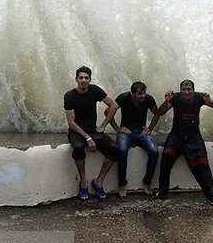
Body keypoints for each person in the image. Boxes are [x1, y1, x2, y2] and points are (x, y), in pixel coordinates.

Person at [152, 79, 213, 207]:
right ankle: (163, 190)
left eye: (189, 89)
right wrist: (166, 101)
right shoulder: (175, 98)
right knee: (166, 158)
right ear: (180, 90)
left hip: (194, 137)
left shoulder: (199, 97)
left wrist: (209, 100)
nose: (186, 92)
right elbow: (160, 112)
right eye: (184, 89)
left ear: (193, 90)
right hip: (176, 136)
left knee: (203, 165)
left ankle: (211, 195)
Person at [63, 66, 119, 201]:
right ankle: (83, 182)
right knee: (78, 148)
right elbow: (71, 122)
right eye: (81, 78)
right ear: (76, 79)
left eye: (86, 78)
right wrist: (88, 138)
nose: (83, 80)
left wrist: (103, 125)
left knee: (114, 149)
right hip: (77, 132)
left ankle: (98, 181)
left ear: (90, 79)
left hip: (93, 131)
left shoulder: (94, 90)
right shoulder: (69, 96)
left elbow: (114, 105)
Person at [107, 81, 161, 197]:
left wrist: (150, 128)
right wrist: (117, 128)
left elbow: (157, 113)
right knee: (121, 151)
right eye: (140, 94)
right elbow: (108, 111)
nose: (143, 96)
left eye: (144, 93)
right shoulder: (123, 98)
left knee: (154, 152)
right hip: (126, 132)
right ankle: (122, 184)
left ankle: (147, 183)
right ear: (132, 93)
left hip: (142, 131)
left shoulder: (148, 99)